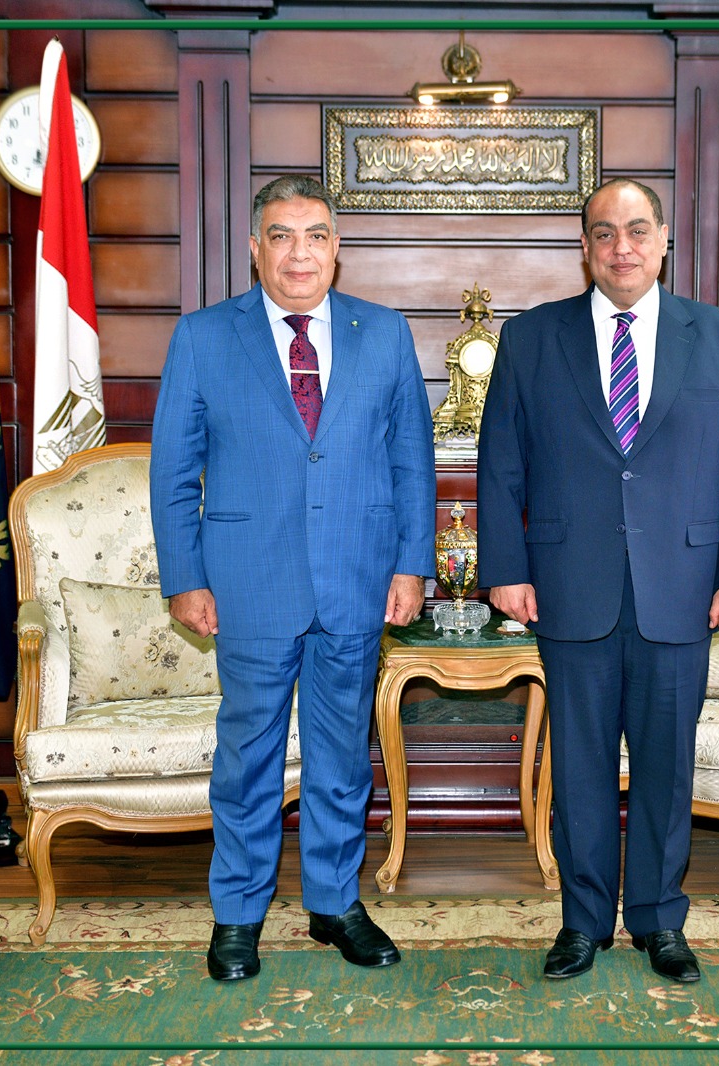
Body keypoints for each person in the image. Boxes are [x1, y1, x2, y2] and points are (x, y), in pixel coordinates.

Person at [477, 178, 719, 984]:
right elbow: (501, 464)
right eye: (604, 233)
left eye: (637, 230)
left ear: (664, 240)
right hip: (569, 584)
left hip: (684, 586)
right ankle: (582, 923)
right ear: (585, 247)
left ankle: (658, 919)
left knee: (666, 769)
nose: (622, 247)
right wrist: (505, 571)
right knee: (578, 767)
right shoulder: (533, 338)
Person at [150, 175, 436, 982]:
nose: (298, 253)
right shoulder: (204, 338)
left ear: (336, 248)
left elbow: (411, 460)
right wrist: (185, 578)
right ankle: (237, 914)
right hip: (248, 581)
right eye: (281, 236)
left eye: (314, 236)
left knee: (342, 755)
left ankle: (334, 904)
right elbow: (172, 473)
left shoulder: (384, 333)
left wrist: (412, 564)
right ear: (255, 248)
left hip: (357, 577)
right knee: (248, 755)